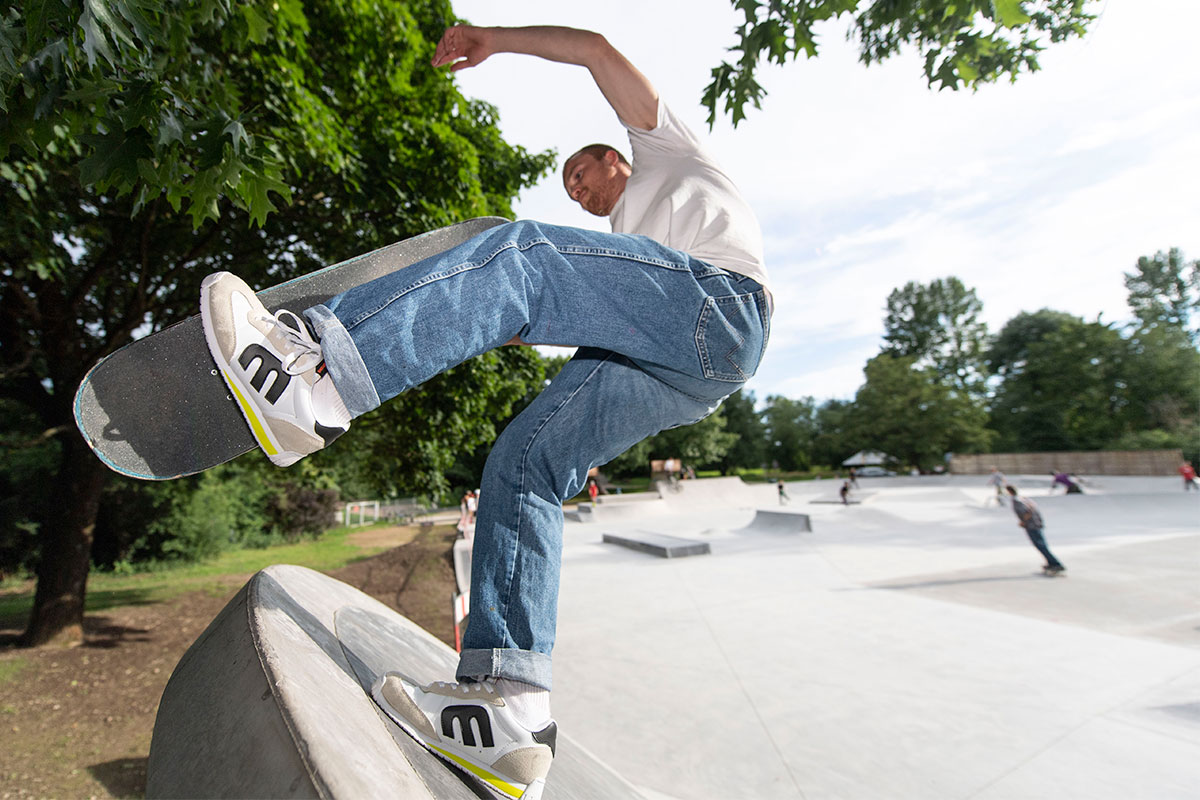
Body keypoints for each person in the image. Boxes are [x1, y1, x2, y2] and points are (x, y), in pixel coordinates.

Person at [199, 24, 770, 799]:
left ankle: (313, 380)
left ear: (616, 158)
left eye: (583, 175)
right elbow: (586, 301)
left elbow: (598, 51)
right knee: (525, 463)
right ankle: (508, 711)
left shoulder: (671, 154)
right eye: (569, 187)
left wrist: (493, 38)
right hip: (680, 365)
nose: (579, 191)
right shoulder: (624, 246)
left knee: (525, 250)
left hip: (720, 304)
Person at [1006, 485, 1065, 575]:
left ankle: (1056, 563)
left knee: (1040, 545)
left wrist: (1023, 521)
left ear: (1009, 492)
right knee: (1041, 544)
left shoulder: (1016, 501)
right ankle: (1051, 562)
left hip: (1031, 525)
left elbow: (1028, 512)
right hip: (1037, 523)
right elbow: (1032, 508)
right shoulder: (1024, 498)